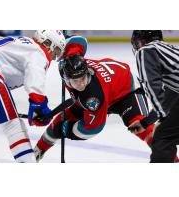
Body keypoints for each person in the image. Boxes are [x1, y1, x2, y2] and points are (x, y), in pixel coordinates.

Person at [33, 35, 157, 162]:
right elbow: (79, 40)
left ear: (88, 72)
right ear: (66, 77)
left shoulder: (92, 96)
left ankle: (168, 156)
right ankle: (37, 151)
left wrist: (65, 130)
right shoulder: (70, 59)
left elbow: (91, 129)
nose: (81, 84)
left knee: (137, 125)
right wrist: (64, 42)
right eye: (76, 80)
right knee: (60, 120)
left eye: (83, 78)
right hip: (107, 87)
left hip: (127, 90)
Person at [0, 30, 66, 162]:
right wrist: (39, 105)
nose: (55, 57)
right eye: (57, 51)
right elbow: (35, 76)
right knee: (13, 125)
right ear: (49, 44)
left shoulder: (22, 43)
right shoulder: (38, 52)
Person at [129, 30, 179, 162]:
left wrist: (162, 116)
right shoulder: (170, 51)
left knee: (163, 137)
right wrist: (146, 122)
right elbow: (171, 96)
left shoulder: (145, 51)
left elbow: (152, 84)